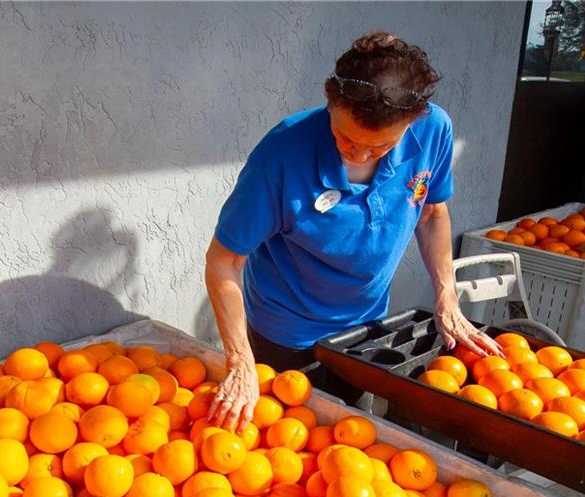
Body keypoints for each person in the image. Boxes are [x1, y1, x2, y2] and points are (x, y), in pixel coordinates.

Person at [204, 31, 500, 430]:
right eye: (345, 137)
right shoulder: (281, 156)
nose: (358, 154)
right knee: (283, 443)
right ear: (331, 102)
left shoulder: (434, 131)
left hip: (365, 329)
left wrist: (447, 296)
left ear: (412, 122)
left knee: (347, 436)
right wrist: (240, 361)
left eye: (379, 148)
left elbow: (431, 214)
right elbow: (224, 260)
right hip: (287, 332)